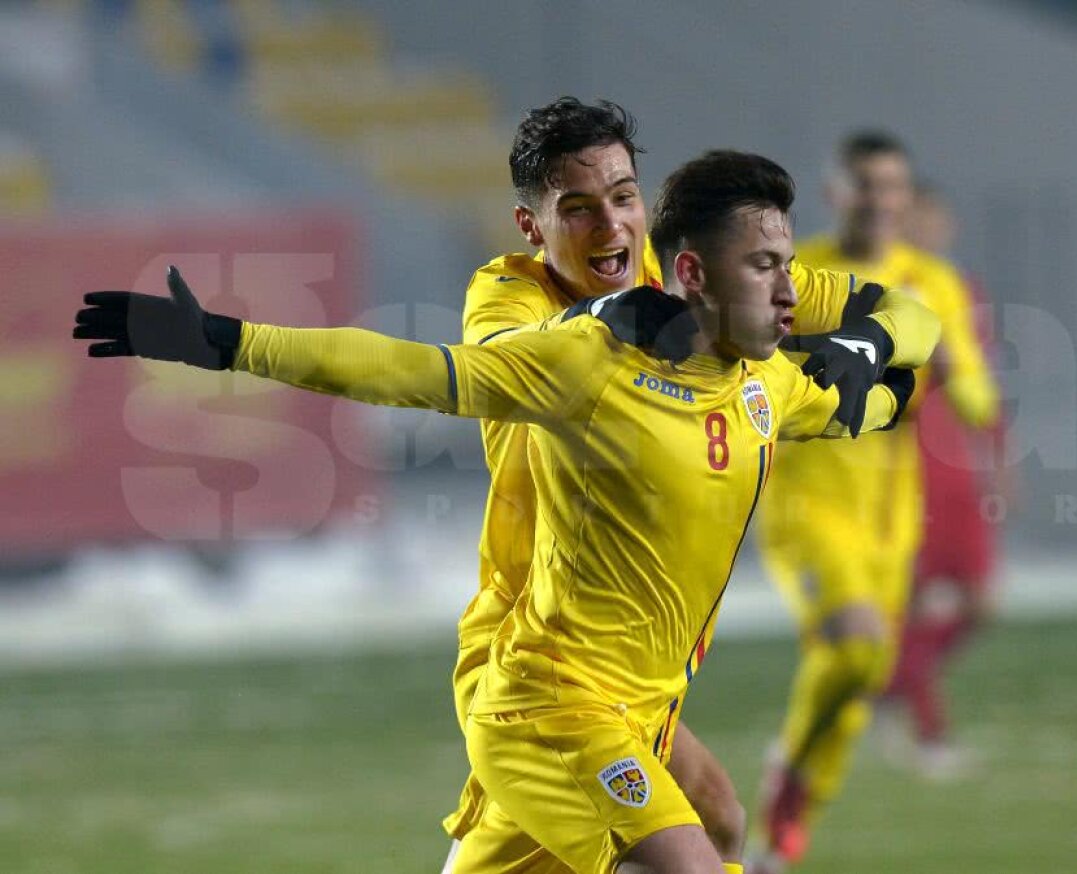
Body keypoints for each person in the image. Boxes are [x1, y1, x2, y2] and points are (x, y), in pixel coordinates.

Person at [74, 149, 936, 873]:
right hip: (550, 702)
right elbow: (405, 371)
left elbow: (909, 338)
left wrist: (869, 346)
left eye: (787, 266)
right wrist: (229, 341)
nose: (790, 291)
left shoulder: (767, 383)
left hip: (643, 708)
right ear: (690, 273)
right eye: (765, 267)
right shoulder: (583, 360)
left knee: (719, 821)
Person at [446, 98, 942, 873]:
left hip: (634, 663)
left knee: (712, 819)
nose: (610, 225)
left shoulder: (688, 277)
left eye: (622, 196)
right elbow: (508, 361)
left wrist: (869, 341)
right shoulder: (510, 294)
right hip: (534, 646)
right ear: (531, 226)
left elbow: (914, 314)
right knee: (681, 842)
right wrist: (615, 315)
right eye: (577, 209)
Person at [750, 132, 998, 870]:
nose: (879, 200)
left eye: (891, 187)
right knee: (857, 647)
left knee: (852, 692)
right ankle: (788, 785)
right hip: (808, 505)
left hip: (893, 521)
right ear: (836, 193)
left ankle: (781, 832)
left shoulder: (933, 282)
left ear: (905, 197)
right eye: (864, 185)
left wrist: (952, 370)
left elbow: (980, 398)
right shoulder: (800, 275)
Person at [880, 183, 1007, 778]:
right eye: (913, 222)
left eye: (932, 220)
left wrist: (997, 453)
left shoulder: (961, 293)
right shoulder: (878, 294)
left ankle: (890, 687)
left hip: (957, 469)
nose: (925, 231)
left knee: (982, 602)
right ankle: (930, 735)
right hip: (902, 470)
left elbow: (978, 384)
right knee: (909, 604)